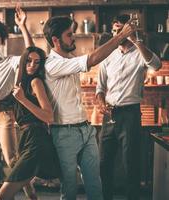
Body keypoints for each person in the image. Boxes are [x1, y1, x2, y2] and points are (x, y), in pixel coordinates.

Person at [42, 16, 135, 200]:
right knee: (69, 190)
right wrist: (120, 36)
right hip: (64, 134)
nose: (73, 38)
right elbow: (92, 59)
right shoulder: (52, 64)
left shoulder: (69, 57)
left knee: (95, 185)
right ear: (55, 40)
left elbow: (92, 57)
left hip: (86, 130)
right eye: (69, 35)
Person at [96, 14, 162, 200]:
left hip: (130, 114)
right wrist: (101, 102)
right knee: (103, 163)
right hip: (109, 115)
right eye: (115, 31)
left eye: (121, 30)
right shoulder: (107, 56)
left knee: (130, 164)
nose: (117, 35)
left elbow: (156, 65)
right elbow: (100, 88)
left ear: (129, 30)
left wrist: (136, 40)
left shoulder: (139, 53)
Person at [0, 46, 60, 200]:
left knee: (2, 195)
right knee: (26, 194)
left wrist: (23, 99)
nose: (32, 65)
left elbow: (48, 116)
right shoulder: (19, 86)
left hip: (37, 140)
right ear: (22, 62)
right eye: (28, 61)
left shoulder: (36, 82)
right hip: (26, 139)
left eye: (37, 62)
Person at [0, 5, 37, 199]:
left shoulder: (10, 61)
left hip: (4, 114)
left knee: (12, 160)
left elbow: (30, 53)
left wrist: (23, 26)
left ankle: (31, 195)